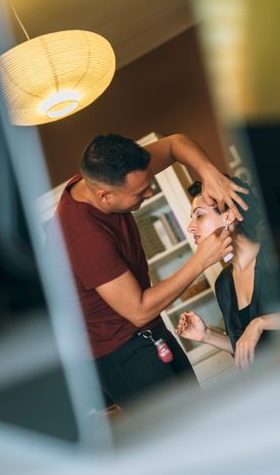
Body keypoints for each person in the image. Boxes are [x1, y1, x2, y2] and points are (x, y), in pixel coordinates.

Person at [51, 133, 248, 408]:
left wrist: (208, 171)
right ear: (104, 196)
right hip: (121, 353)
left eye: (149, 184)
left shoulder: (113, 174)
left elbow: (175, 143)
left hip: (150, 331)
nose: (150, 192)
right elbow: (139, 310)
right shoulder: (82, 237)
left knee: (199, 415)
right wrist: (201, 260)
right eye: (140, 193)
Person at [175, 178, 280, 370]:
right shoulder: (223, 283)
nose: (190, 227)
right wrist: (206, 335)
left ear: (229, 216)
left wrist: (260, 323)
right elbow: (242, 347)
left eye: (199, 216)